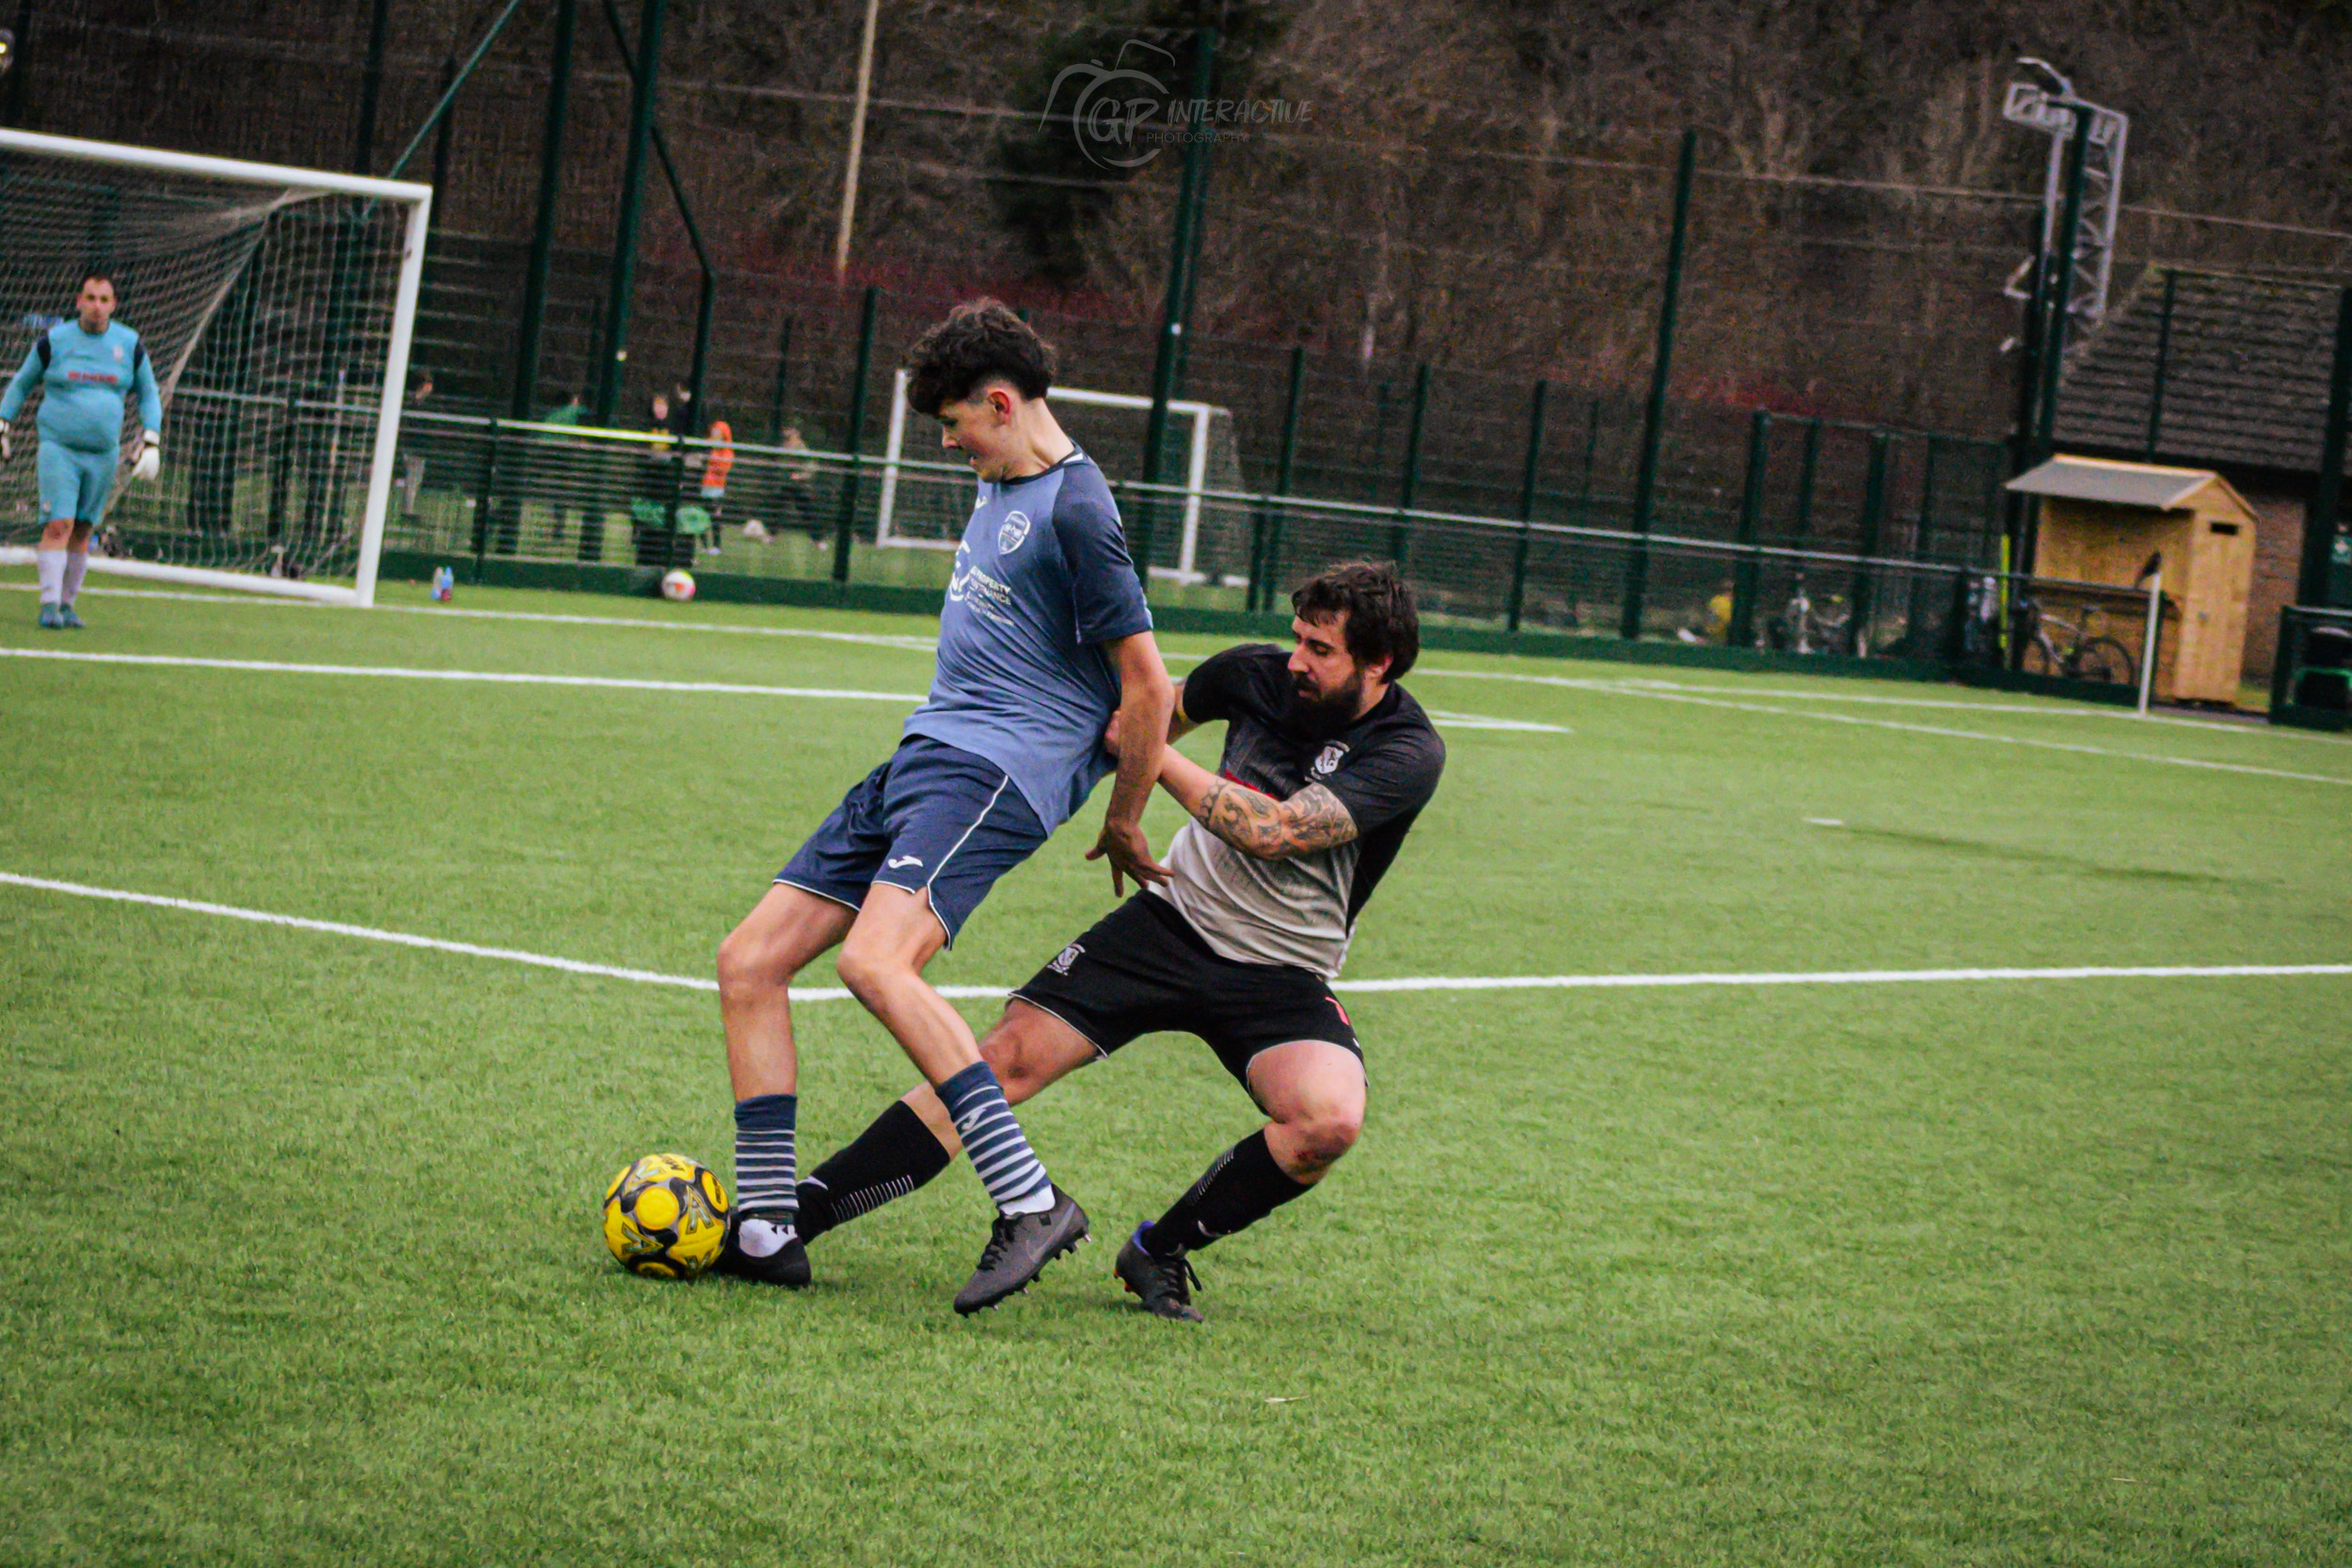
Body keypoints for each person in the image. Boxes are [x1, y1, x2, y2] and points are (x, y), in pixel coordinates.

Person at [787, 562, 1444, 1322]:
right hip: (1168, 921)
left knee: (1328, 1120)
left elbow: (1278, 831)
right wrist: (1121, 794)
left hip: (1283, 972)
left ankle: (1157, 1248)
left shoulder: (1407, 749)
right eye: (1298, 637)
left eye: (1321, 649)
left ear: (1378, 664)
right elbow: (1128, 729)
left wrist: (1148, 754)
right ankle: (797, 1218)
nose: (1296, 658)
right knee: (1001, 1060)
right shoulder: (1248, 674)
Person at [711, 299, 1175, 1313]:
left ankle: (1030, 1198)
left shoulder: (1077, 508)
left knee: (876, 961)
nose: (952, 443)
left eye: (958, 423)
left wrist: (1126, 815)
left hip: (992, 776)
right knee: (748, 960)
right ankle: (764, 1227)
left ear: (1002, 404)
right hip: (922, 758)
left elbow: (1147, 686)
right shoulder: (1004, 482)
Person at [0, 273, 162, 629]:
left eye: (104, 300)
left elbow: (149, 393)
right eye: (90, 298)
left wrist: (151, 437)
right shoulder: (54, 341)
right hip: (59, 448)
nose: (97, 306)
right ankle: (48, 604)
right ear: (78, 301)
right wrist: (2, 422)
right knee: (59, 523)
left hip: (104, 454)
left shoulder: (129, 344)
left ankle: (68, 604)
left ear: (113, 305)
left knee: (85, 528)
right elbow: (22, 382)